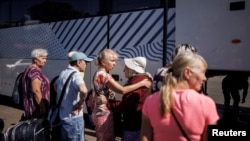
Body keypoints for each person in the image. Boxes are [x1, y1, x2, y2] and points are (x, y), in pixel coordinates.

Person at [140, 53, 219, 141]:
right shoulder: (206, 103)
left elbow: (145, 136)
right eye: (203, 72)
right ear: (187, 73)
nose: (205, 78)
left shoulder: (150, 101)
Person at [91, 49, 151, 141]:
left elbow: (99, 91)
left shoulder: (98, 73)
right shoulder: (105, 75)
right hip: (104, 113)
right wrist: (141, 83)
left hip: (99, 112)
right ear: (103, 62)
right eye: (112, 61)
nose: (115, 63)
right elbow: (122, 90)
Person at [55, 51, 93, 141]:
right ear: (79, 62)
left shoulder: (63, 73)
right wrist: (80, 103)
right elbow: (83, 90)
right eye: (85, 62)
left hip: (63, 116)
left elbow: (55, 86)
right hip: (74, 119)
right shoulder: (76, 75)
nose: (86, 65)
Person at [118, 57, 152, 141]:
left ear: (132, 69)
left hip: (133, 125)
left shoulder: (136, 82)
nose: (123, 70)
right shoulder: (145, 79)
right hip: (141, 124)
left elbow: (127, 106)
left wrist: (109, 103)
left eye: (126, 67)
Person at [21, 48, 50, 119]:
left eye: (45, 58)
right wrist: (42, 106)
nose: (45, 61)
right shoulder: (34, 71)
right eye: (43, 58)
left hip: (31, 104)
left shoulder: (29, 68)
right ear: (35, 59)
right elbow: (36, 90)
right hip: (36, 106)